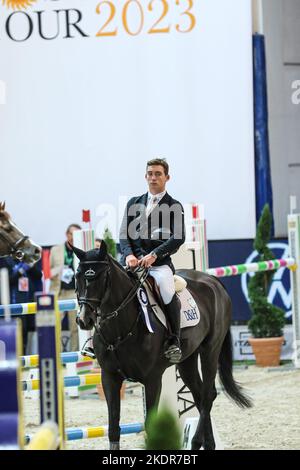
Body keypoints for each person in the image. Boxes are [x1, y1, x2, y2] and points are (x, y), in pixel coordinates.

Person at [119, 158, 185, 363]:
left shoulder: (174, 205)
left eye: (158, 174)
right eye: (150, 173)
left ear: (167, 177)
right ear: (145, 176)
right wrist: (129, 254)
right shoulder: (133, 203)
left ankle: (174, 339)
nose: (153, 177)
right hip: (133, 264)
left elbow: (178, 237)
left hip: (158, 265)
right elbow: (124, 233)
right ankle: (99, 339)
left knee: (166, 289)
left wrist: (155, 254)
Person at [0, 257, 43, 355]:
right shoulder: (4, 260)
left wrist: (31, 266)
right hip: (11, 304)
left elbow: (38, 275)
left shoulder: (26, 258)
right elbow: (7, 281)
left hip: (26, 302)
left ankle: (23, 360)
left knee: (25, 332)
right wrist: (20, 271)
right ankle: (13, 359)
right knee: (14, 333)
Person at [50, 223, 81, 351]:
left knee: (75, 326)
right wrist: (59, 269)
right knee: (56, 326)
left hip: (75, 292)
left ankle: (74, 357)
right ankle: (56, 356)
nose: (73, 237)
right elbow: (48, 272)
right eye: (71, 234)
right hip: (58, 292)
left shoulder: (82, 249)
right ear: (67, 234)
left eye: (77, 234)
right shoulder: (55, 250)